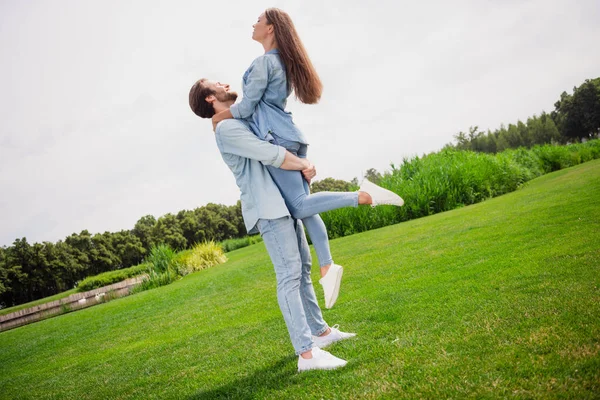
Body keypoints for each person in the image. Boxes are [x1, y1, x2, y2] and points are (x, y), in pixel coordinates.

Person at [210, 8, 404, 309]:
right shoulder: (282, 62)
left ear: (271, 28)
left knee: (299, 207)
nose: (253, 23)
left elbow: (247, 108)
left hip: (277, 139)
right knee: (309, 209)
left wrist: (218, 118)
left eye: (258, 20)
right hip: (291, 135)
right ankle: (327, 267)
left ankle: (363, 195)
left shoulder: (263, 63)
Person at [189, 78, 357, 371]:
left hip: (284, 204)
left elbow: (277, 149)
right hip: (268, 209)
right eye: (216, 83)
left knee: (302, 270)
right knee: (289, 276)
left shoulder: (236, 120)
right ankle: (306, 355)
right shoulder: (227, 129)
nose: (224, 83)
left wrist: (304, 166)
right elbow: (270, 154)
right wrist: (302, 164)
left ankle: (321, 333)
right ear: (209, 99)